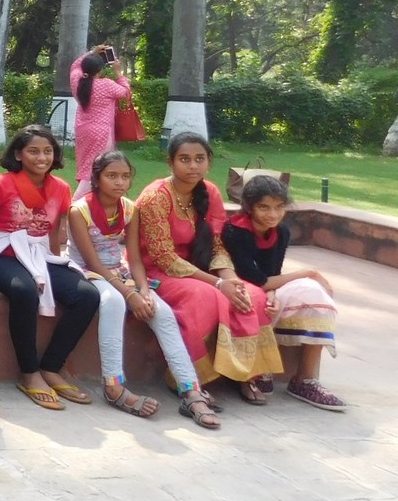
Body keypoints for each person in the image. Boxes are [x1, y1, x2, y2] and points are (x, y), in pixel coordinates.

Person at [67, 150, 220, 428]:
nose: (119, 182)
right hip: (87, 272)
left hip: (120, 271)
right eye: (111, 176)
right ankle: (113, 385)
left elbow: (134, 259)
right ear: (97, 179)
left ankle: (191, 390)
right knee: (113, 302)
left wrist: (144, 291)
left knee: (162, 312)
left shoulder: (129, 208)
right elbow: (93, 263)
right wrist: (130, 294)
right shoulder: (79, 210)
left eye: (125, 176)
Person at [129, 132, 280, 406]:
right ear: (170, 162)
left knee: (253, 296)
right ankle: (193, 378)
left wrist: (230, 280)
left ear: (209, 162)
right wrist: (219, 285)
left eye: (199, 159)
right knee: (204, 297)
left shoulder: (209, 192)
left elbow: (217, 245)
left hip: (200, 270)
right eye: (184, 159)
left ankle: (244, 373)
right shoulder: (156, 197)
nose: (193, 166)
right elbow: (164, 258)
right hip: (159, 272)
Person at [0, 124, 101, 411]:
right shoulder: (0, 184)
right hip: (2, 255)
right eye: (33, 151)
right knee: (24, 291)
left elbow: (54, 231)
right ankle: (29, 372)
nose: (42, 157)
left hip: (40, 255)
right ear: (18, 154)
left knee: (86, 295)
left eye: (47, 151)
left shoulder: (61, 188)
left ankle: (51, 367)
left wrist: (56, 264)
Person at [221, 175, 345, 411]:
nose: (273, 214)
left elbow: (271, 275)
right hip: (236, 289)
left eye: (279, 207)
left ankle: (304, 380)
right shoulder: (235, 231)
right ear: (249, 207)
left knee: (312, 292)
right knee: (292, 286)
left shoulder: (281, 232)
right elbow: (253, 278)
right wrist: (308, 272)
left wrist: (272, 294)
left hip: (264, 286)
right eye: (264, 207)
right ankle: (260, 367)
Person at [69, 45, 131, 193]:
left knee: (86, 165)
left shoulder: (77, 81)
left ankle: (94, 199)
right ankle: (78, 200)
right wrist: (119, 73)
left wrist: (92, 52)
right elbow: (125, 93)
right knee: (96, 167)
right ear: (100, 70)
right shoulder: (106, 85)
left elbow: (75, 66)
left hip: (83, 130)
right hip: (101, 132)